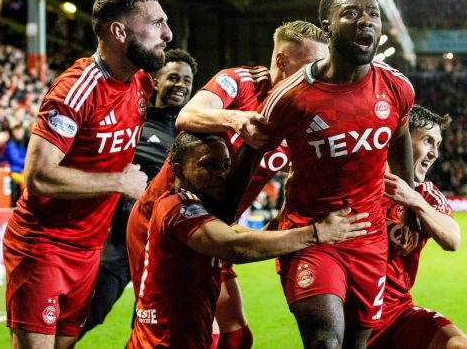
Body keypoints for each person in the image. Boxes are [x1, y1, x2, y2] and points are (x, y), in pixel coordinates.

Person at [225, 0, 416, 348]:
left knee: (356, 345)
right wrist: (224, 215)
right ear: (328, 28)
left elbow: (401, 134)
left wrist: (408, 209)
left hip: (369, 237)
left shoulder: (396, 87)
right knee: (325, 341)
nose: (366, 22)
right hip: (313, 234)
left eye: (373, 15)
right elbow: (252, 151)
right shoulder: (292, 96)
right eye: (351, 13)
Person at [127, 20, 329, 348]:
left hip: (217, 226)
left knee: (236, 336)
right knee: (174, 333)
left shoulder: (303, 116)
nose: (316, 78)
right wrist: (235, 119)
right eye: (310, 67)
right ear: (281, 61)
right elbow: (187, 116)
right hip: (165, 218)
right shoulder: (241, 81)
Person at [2, 0, 171, 349]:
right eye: (157, 23)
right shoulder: (76, 90)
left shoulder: (140, 83)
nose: (167, 34)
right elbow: (38, 175)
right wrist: (119, 182)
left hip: (90, 247)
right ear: (119, 32)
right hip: (43, 243)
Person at [127, 132, 372, 349]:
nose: (221, 174)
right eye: (208, 165)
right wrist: (317, 233)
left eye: (225, 165)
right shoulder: (176, 204)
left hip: (180, 338)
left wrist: (287, 210)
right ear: (178, 169)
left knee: (239, 337)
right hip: (162, 343)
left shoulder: (200, 209)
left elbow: (246, 237)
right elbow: (234, 246)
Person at [80, 48, 197, 337]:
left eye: (187, 79)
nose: (181, 84)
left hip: (164, 243)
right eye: (173, 77)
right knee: (88, 313)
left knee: (150, 327)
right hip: (120, 236)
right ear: (156, 82)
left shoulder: (193, 132)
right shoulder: (134, 119)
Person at [369, 105, 467, 349]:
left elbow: (453, 240)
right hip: (349, 317)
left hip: (396, 316)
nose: (434, 154)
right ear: (401, 140)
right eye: (428, 141)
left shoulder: (426, 195)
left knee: (464, 347)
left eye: (438, 145)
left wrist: (414, 201)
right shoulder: (361, 184)